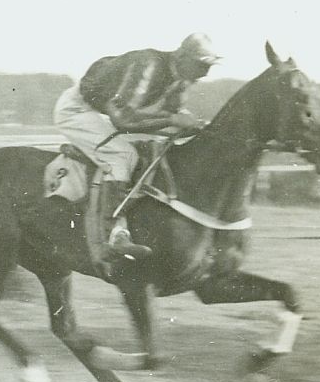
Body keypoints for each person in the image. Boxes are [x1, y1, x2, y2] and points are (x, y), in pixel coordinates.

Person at [52, 32, 221, 278]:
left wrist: (193, 125)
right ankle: (113, 234)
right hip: (78, 110)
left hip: (105, 114)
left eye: (208, 68)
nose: (205, 74)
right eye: (202, 66)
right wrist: (173, 120)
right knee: (122, 157)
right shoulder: (147, 65)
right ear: (183, 57)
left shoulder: (181, 80)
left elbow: (169, 118)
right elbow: (123, 120)